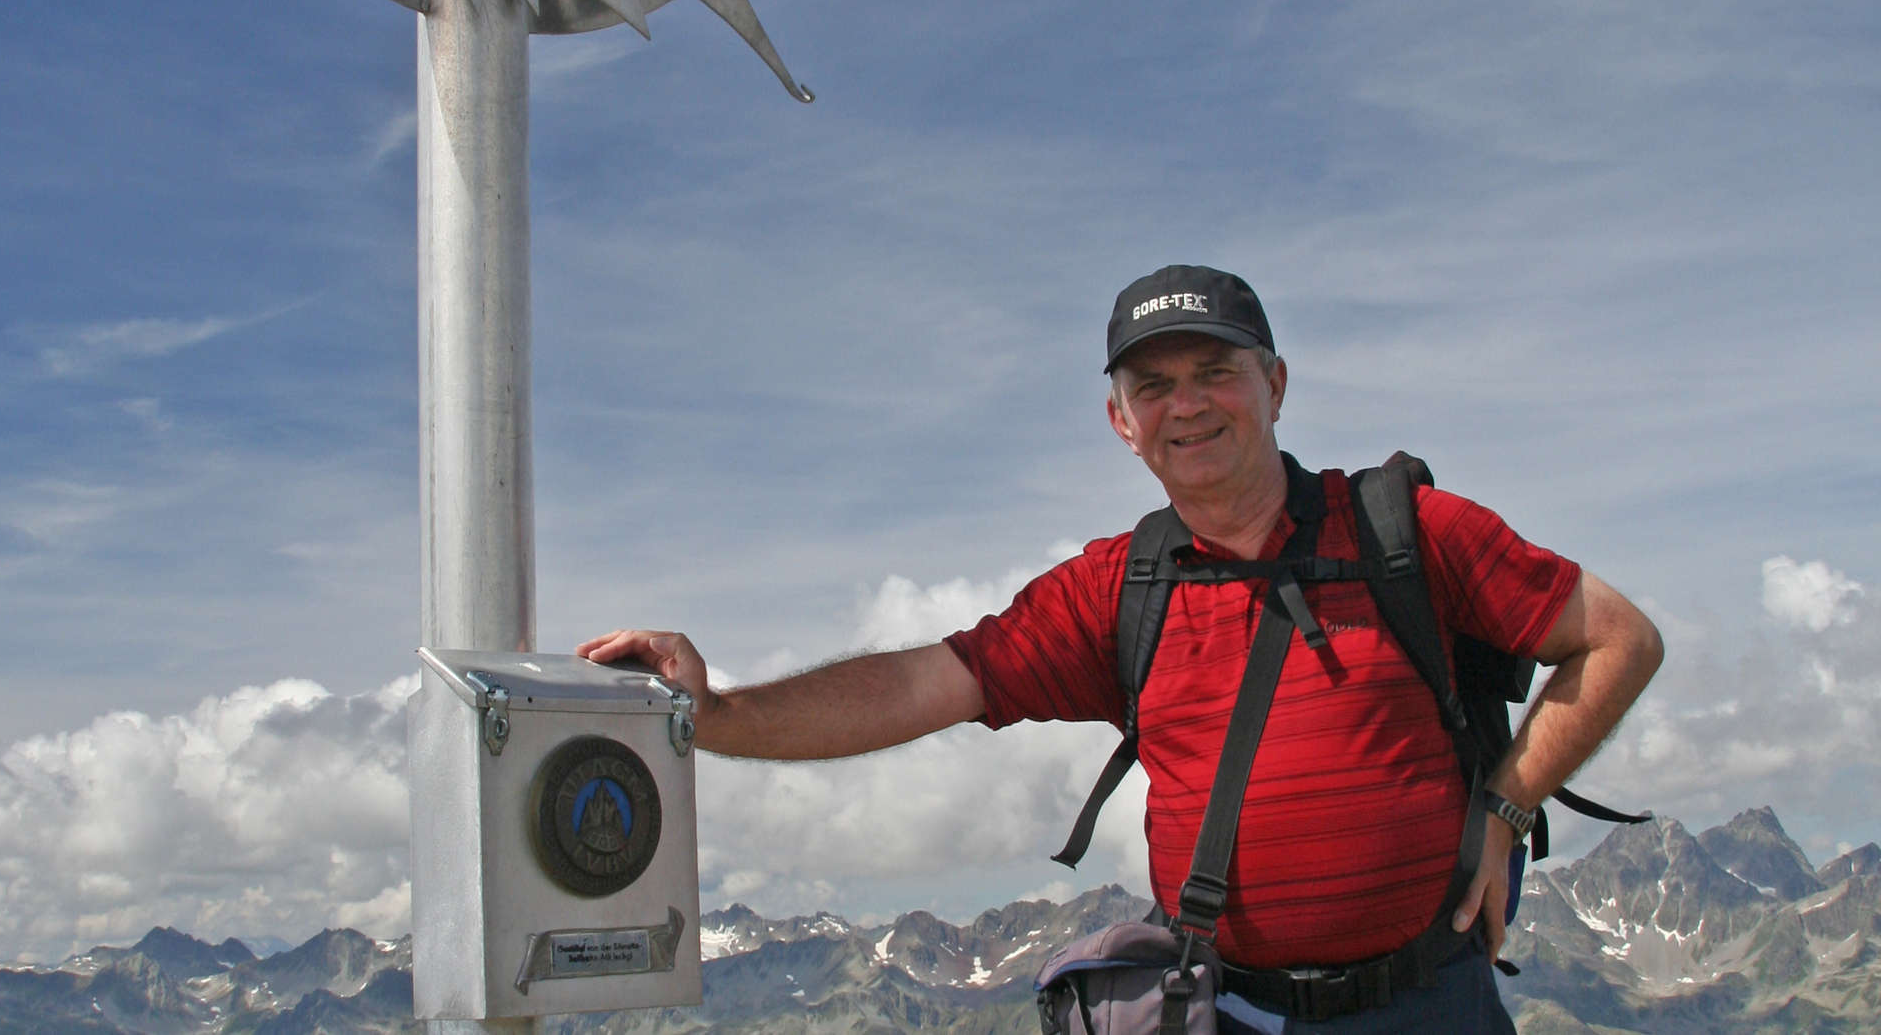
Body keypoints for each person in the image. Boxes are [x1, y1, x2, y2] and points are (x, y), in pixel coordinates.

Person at [579, 265, 1663, 1033]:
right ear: (1121, 422)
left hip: (1428, 1001)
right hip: (1228, 1009)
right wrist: (718, 714)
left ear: (1275, 384)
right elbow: (919, 683)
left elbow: (1618, 639)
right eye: (1152, 386)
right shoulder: (1117, 589)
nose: (1186, 404)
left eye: (1214, 370)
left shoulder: (1404, 532)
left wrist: (1507, 803)